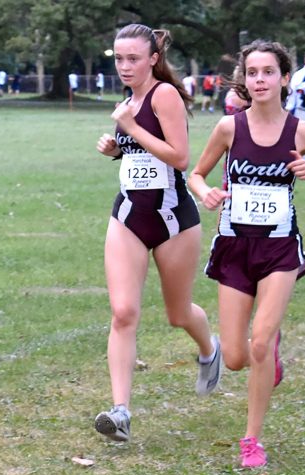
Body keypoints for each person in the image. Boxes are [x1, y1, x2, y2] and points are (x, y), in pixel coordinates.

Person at [187, 40, 305, 468]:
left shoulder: (302, 131)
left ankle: (251, 440)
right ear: (245, 78)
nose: (260, 80)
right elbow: (196, 174)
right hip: (235, 248)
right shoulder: (228, 128)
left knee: (259, 343)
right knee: (238, 357)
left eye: (268, 72)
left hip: (279, 250)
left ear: (284, 78)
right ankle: (265, 351)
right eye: (253, 72)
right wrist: (206, 193)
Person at [93, 24, 221, 443]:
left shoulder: (164, 95)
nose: (125, 66)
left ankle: (209, 350)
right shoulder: (127, 102)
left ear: (152, 59)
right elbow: (141, 156)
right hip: (128, 214)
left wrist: (131, 127)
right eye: (119, 58)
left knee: (177, 313)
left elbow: (180, 158)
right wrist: (117, 149)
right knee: (123, 312)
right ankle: (121, 412)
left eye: (133, 58)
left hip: (172, 219)